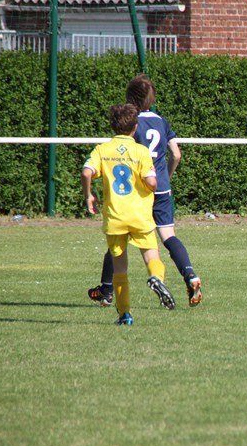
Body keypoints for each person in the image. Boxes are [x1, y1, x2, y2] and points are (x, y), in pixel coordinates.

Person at [88, 74, 203, 308]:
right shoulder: (162, 121)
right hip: (161, 187)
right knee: (168, 236)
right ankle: (190, 276)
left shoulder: (132, 123)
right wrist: (166, 178)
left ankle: (107, 291)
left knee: (118, 239)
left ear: (130, 98)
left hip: (138, 192)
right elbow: (176, 154)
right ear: (153, 98)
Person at [81, 104, 176, 325]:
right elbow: (152, 182)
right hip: (140, 216)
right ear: (135, 128)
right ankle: (156, 278)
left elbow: (86, 173)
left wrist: (88, 196)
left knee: (120, 269)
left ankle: (125, 315)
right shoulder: (141, 152)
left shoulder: (102, 150)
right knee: (152, 256)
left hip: (115, 218)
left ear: (112, 126)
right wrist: (149, 183)